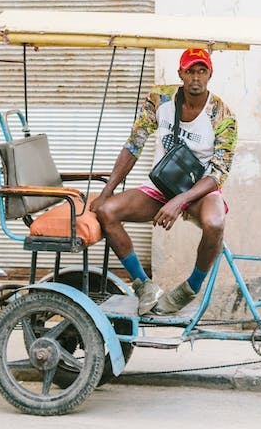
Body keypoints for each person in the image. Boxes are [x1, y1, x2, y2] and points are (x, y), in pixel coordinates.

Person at [91, 47, 237, 315]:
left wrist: (181, 200)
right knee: (107, 211)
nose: (196, 77)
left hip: (200, 189)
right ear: (180, 73)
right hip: (162, 186)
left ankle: (190, 288)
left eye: (201, 71)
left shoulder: (222, 114)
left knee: (215, 223)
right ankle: (144, 286)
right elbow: (134, 145)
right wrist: (106, 192)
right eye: (190, 71)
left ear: (210, 74)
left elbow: (219, 172)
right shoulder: (160, 99)